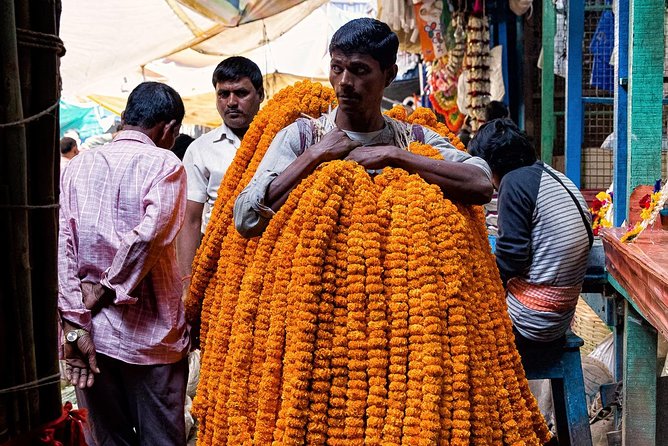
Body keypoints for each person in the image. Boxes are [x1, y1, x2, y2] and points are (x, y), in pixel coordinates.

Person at [234, 18, 493, 238]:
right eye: (337, 68)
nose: (344, 82)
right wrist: (315, 156)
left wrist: (396, 156)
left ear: (389, 75)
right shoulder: (304, 137)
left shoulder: (411, 139)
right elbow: (245, 219)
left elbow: (481, 184)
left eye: (359, 70)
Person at [58, 81, 190, 445]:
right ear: (169, 129)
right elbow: (147, 238)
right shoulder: (166, 163)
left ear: (123, 118)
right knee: (161, 440)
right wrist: (104, 290)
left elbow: (61, 246)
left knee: (109, 440)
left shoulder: (76, 166)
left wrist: (74, 319)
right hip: (151, 339)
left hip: (90, 336)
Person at [468, 118, 592, 344]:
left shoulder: (514, 182)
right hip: (561, 313)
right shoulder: (548, 174)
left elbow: (512, 258)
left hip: (533, 319)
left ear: (491, 165)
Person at [178, 56, 264, 290]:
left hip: (270, 257)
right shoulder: (200, 149)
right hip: (218, 263)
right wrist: (187, 284)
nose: (231, 102)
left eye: (241, 93)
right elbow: (191, 220)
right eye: (223, 94)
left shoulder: (282, 140)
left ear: (260, 95)